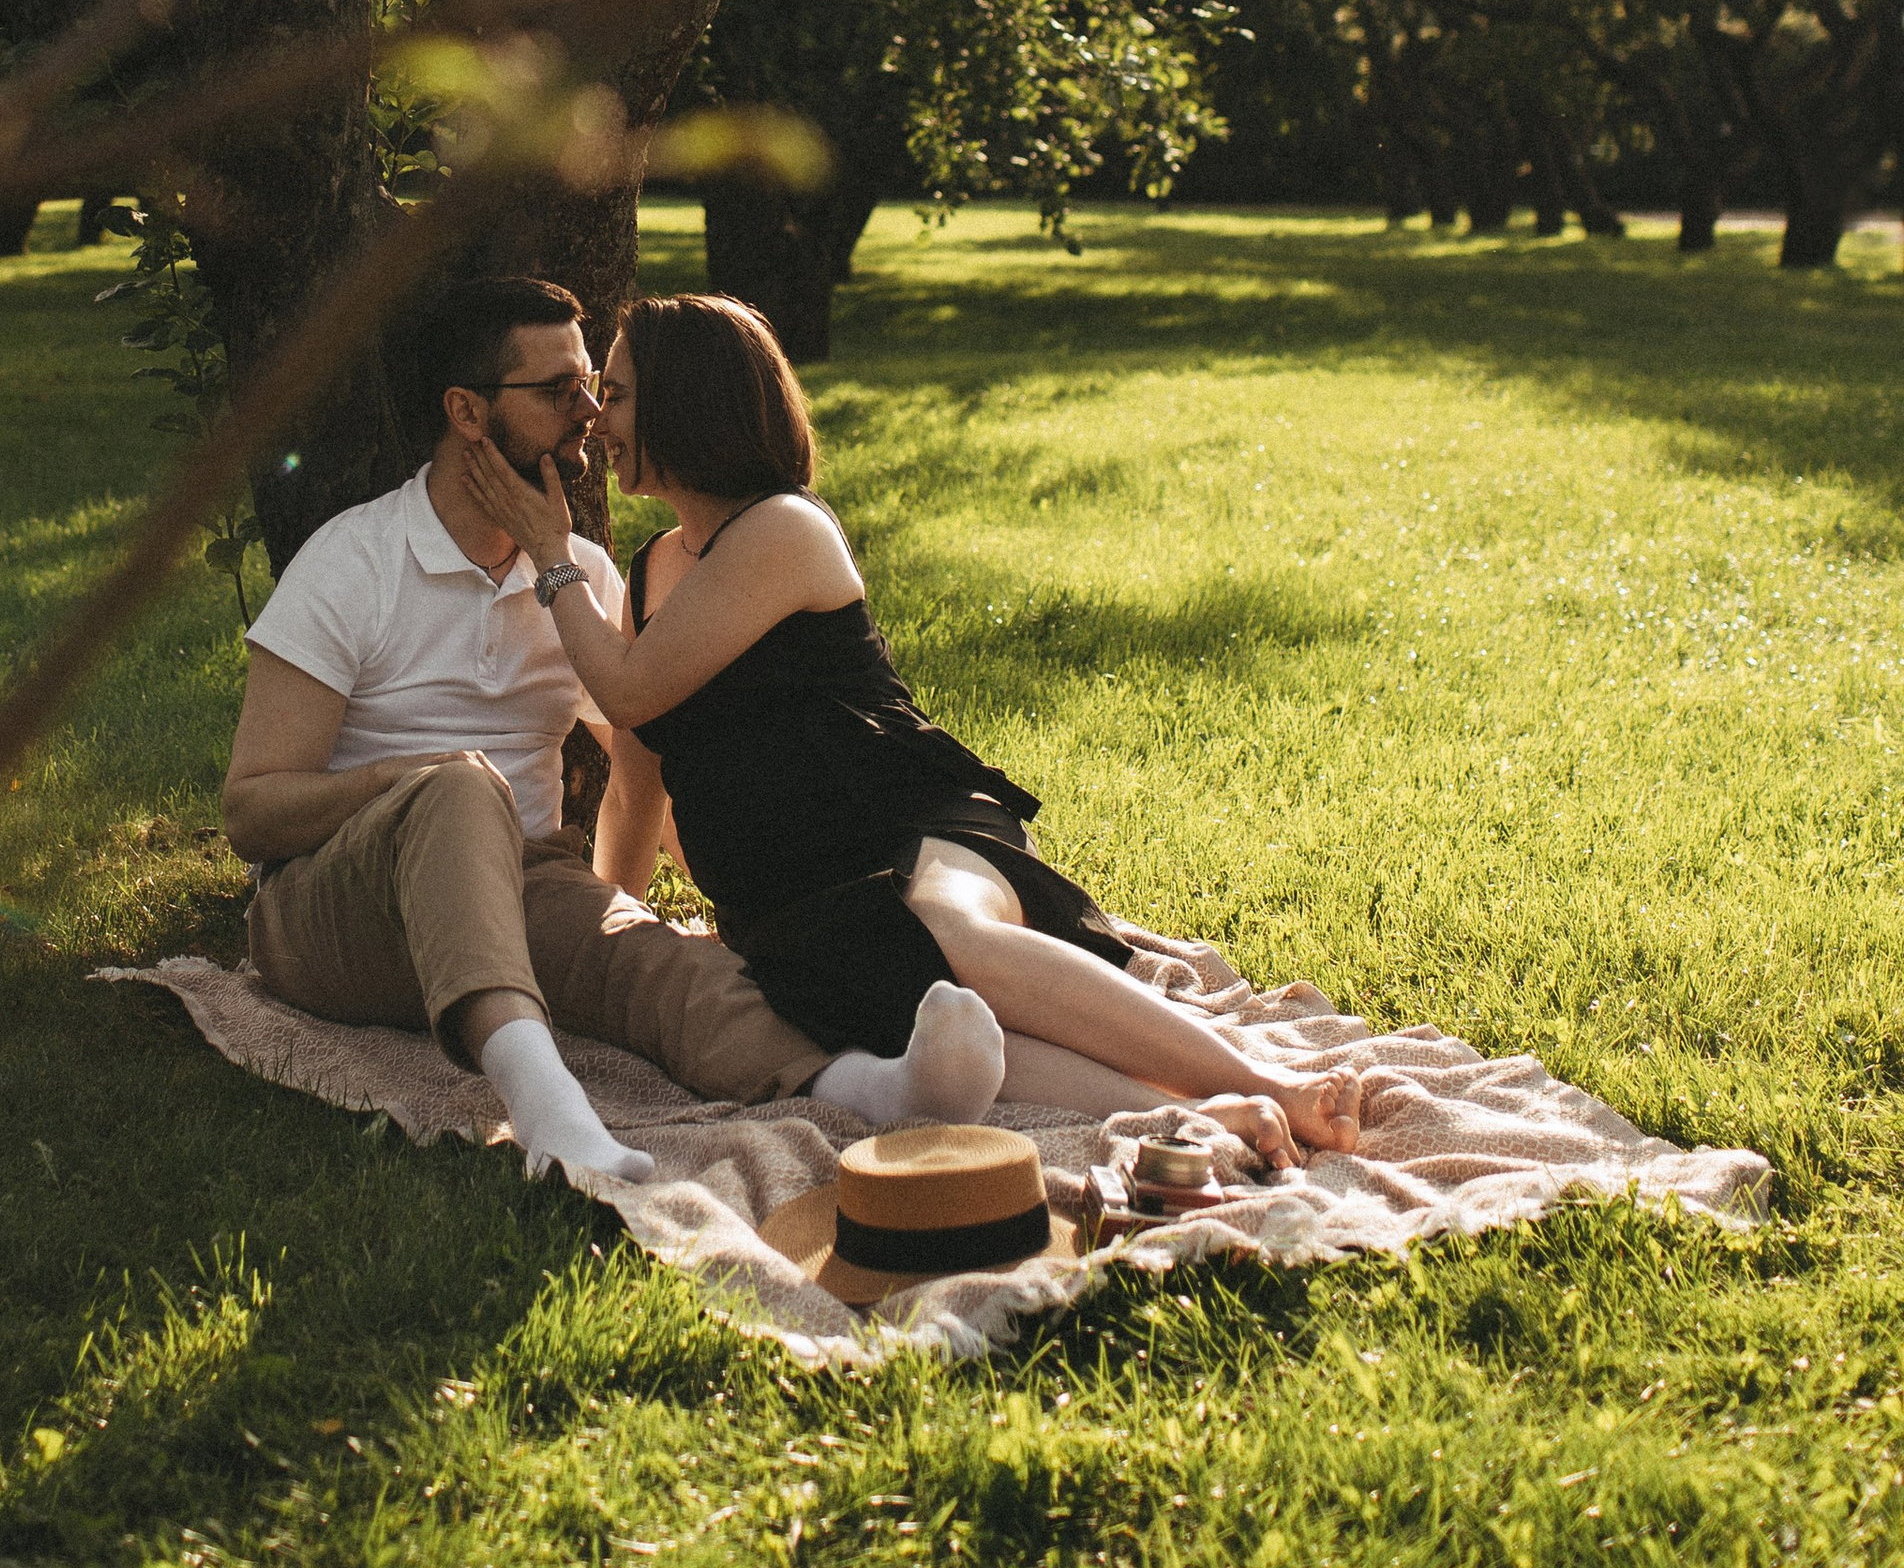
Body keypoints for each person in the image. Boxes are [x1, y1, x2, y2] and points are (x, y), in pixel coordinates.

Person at [460, 288, 1373, 1169]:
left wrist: (549, 551)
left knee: (949, 935)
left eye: (614, 394)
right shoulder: (656, 567)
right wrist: (620, 920)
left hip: (912, 830)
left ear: (686, 402)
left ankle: (1273, 1081)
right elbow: (636, 773)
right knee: (925, 1017)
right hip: (798, 905)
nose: (594, 416)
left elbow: (625, 692)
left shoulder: (781, 532)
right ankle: (1206, 1113)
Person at [221, 277, 1009, 1191]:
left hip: (518, 881)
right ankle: (551, 1116)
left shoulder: (582, 580)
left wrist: (632, 916)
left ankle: (875, 1088)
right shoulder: (353, 561)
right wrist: (423, 777)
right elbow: (253, 810)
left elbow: (643, 773)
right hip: (336, 906)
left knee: (662, 963)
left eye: (596, 385)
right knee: (459, 789)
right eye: (559, 391)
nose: (590, 413)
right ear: (468, 412)